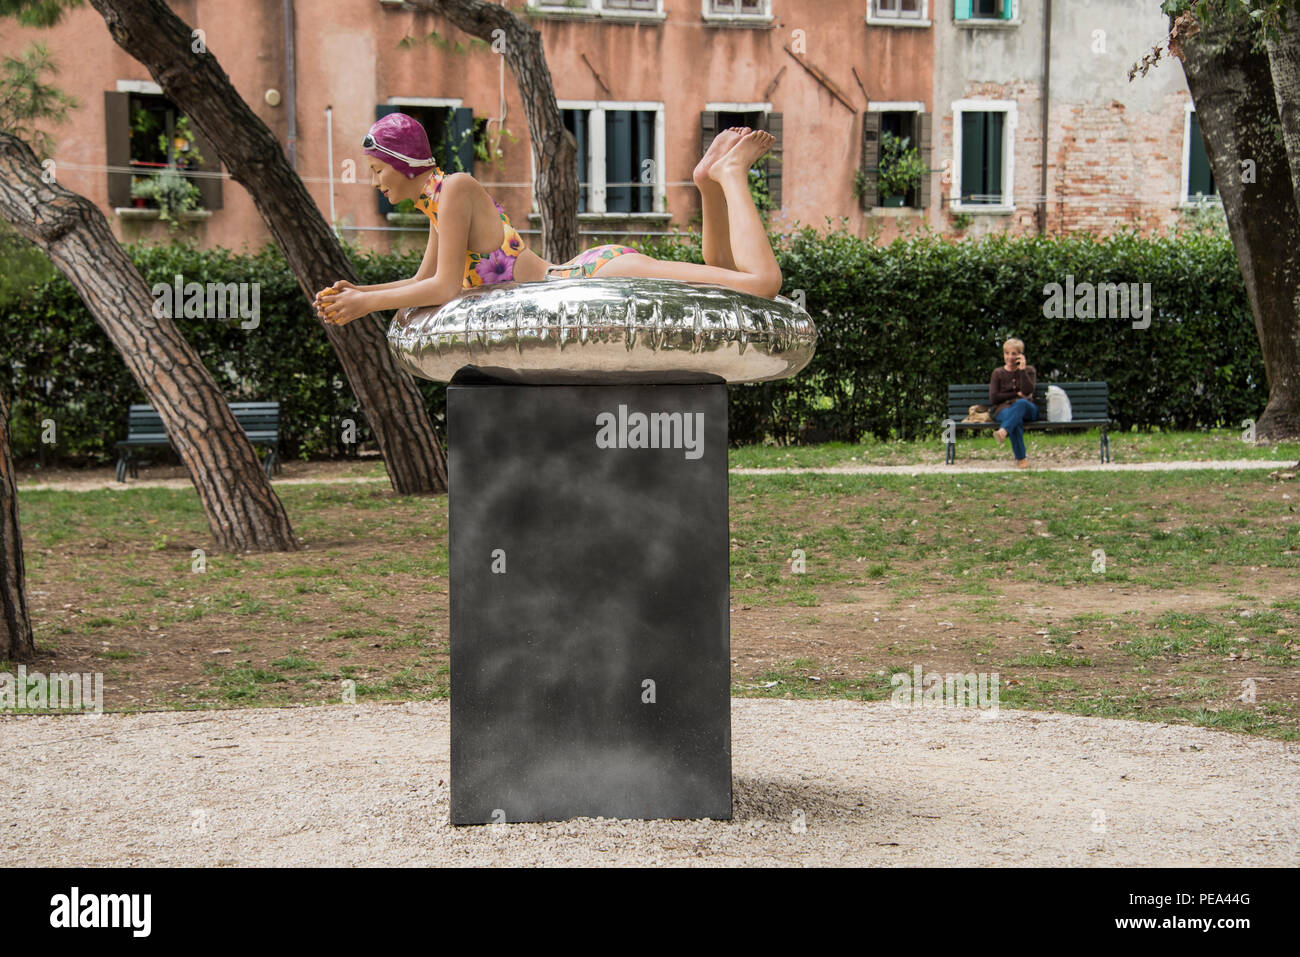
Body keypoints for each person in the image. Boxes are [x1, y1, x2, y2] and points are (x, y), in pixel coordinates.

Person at [314, 113, 783, 325]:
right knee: (727, 276)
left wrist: (365, 306)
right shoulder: (437, 205)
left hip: (599, 274)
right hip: (585, 275)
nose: (374, 181)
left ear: (401, 162)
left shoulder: (455, 188)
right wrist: (360, 294)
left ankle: (731, 173)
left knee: (762, 284)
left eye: (377, 171)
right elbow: (423, 280)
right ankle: (706, 183)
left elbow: (443, 290)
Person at [989, 338, 1038, 469]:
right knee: (1014, 419)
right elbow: (994, 398)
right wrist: (1016, 394)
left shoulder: (1029, 370)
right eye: (1007, 353)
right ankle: (1021, 459)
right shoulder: (998, 373)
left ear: (1020, 355)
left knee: (1021, 403)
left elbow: (1028, 391)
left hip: (1027, 408)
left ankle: (1003, 431)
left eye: (1014, 353)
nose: (1010, 357)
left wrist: (1022, 370)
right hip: (1004, 409)